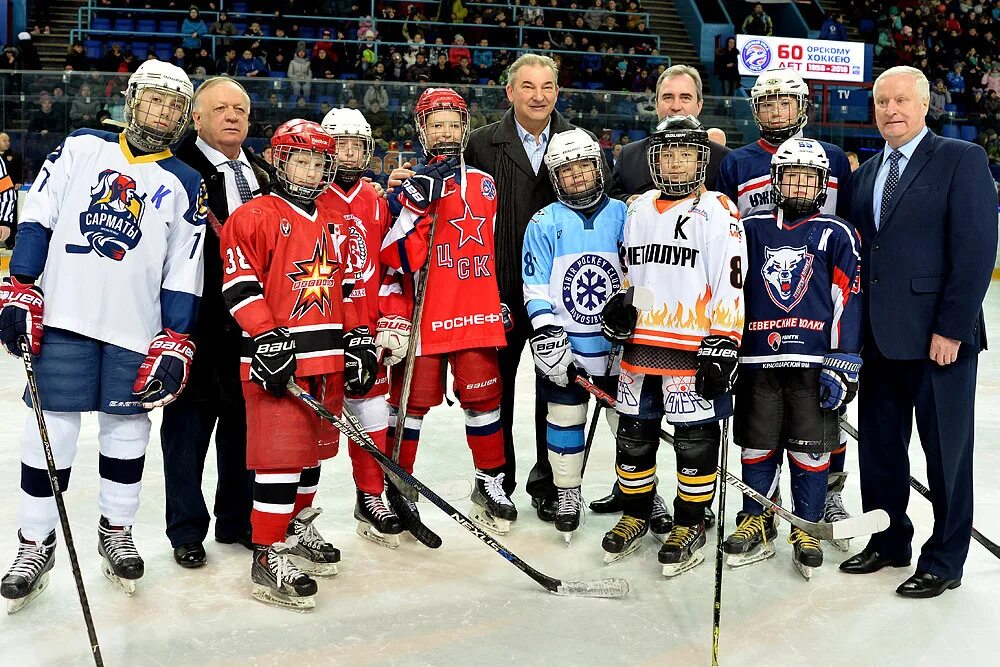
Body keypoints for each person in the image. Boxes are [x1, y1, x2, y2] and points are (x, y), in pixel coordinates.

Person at [0, 61, 204, 609]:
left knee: (127, 431)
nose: (161, 112)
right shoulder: (82, 147)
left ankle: (115, 530)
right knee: (52, 429)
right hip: (66, 316)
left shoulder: (185, 182)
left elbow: (183, 269)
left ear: (183, 117)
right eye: (153, 100)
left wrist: (176, 337)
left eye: (172, 105)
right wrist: (21, 284)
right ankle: (34, 540)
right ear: (132, 100)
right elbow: (38, 213)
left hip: (135, 331)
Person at [841, 66, 997, 598]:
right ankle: (889, 542)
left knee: (945, 455)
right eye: (881, 101)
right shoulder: (864, 175)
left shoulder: (961, 159)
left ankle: (946, 559)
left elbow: (976, 252)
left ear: (925, 104)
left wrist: (952, 328)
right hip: (879, 342)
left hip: (940, 342)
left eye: (901, 100)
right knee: (881, 451)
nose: (890, 109)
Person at [220, 119, 379, 609]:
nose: (310, 172)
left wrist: (358, 339)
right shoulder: (253, 216)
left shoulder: (334, 220)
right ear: (279, 161)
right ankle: (267, 553)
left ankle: (295, 529)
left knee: (310, 460)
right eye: (301, 161)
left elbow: (347, 288)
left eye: (318, 163)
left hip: (326, 360)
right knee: (281, 461)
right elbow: (239, 285)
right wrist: (267, 338)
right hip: (276, 363)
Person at [599, 115, 746, 575]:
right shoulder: (639, 208)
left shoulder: (718, 210)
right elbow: (636, 273)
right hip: (642, 345)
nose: (677, 162)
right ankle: (638, 513)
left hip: (693, 347)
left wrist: (724, 340)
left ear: (702, 159)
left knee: (694, 441)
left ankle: (690, 521)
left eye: (687, 153)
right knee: (635, 436)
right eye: (667, 153)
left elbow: (730, 282)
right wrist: (625, 306)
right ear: (653, 157)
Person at [716, 66, 856, 549]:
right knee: (759, 435)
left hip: (817, 324)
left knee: (815, 432)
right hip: (759, 335)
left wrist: (845, 349)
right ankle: (760, 514)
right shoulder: (737, 162)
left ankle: (819, 504)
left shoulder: (832, 159)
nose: (777, 111)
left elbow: (848, 248)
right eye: (767, 102)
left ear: (803, 107)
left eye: (786, 102)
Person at [464, 53, 606, 521]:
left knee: (557, 390)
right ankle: (496, 479)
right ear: (510, 92)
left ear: (557, 92)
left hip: (559, 296)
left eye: (547, 87)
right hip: (498, 291)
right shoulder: (480, 145)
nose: (538, 96)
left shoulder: (576, 142)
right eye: (528, 87)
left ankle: (551, 482)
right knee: (496, 391)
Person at [379, 88, 516, 535]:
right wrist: (414, 200)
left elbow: (495, 249)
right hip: (425, 315)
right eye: (436, 124)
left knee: (484, 401)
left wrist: (498, 299)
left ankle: (489, 482)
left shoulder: (484, 183)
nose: (445, 133)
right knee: (411, 406)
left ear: (465, 129)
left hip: (474, 312)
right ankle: (401, 485)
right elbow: (395, 258)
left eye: (453, 124)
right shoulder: (405, 190)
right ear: (421, 130)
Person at [165, 78, 267, 568]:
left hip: (253, 327)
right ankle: (186, 529)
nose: (232, 116)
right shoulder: (175, 169)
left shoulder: (264, 172)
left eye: (240, 109)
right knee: (187, 432)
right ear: (197, 118)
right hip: (197, 325)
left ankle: (238, 518)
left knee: (244, 430)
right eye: (220, 108)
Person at [521, 128, 626, 541]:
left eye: (584, 165)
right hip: (568, 347)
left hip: (619, 348)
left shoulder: (626, 214)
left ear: (599, 167)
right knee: (564, 419)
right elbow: (535, 287)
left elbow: (644, 273)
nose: (578, 176)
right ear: (555, 176)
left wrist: (634, 324)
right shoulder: (544, 221)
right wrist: (549, 341)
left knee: (631, 426)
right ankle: (567, 493)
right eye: (567, 170)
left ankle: (641, 494)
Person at [318, 107, 404, 548]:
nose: (349, 153)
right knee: (311, 423)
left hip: (366, 329)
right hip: (317, 326)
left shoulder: (375, 201)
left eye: (356, 145)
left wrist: (392, 316)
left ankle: (370, 496)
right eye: (340, 144)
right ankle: (296, 516)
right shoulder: (309, 195)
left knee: (371, 414)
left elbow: (389, 266)